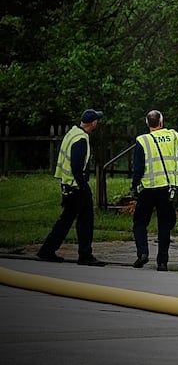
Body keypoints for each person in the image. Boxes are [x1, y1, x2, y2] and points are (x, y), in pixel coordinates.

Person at [37, 109, 106, 266]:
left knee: (67, 219)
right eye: (97, 120)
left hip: (67, 184)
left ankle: (47, 250)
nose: (98, 123)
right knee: (85, 221)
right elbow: (76, 166)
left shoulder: (72, 133)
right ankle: (85, 255)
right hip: (76, 186)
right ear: (93, 123)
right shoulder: (81, 139)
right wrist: (83, 186)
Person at [131, 110, 178, 271]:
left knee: (140, 222)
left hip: (148, 189)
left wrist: (134, 186)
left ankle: (142, 253)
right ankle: (162, 262)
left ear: (147, 124)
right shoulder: (172, 135)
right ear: (161, 122)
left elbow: (138, 168)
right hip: (166, 189)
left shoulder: (142, 140)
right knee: (164, 225)